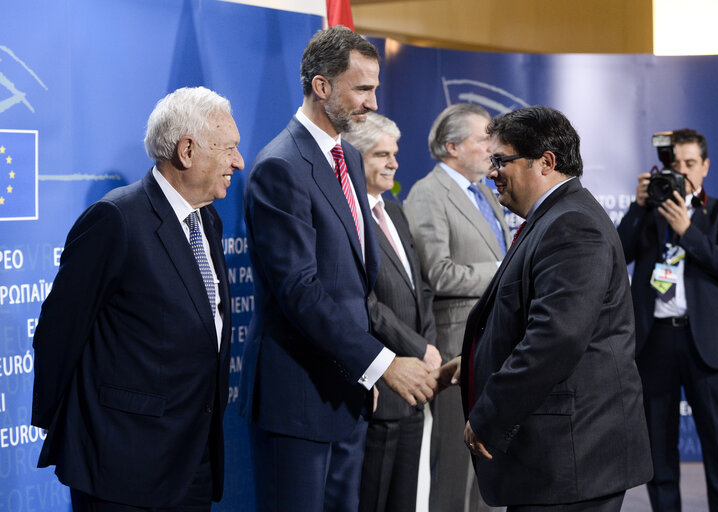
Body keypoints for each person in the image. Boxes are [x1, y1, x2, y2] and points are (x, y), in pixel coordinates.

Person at [237, 26, 437, 512]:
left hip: (346, 394)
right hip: (298, 401)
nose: (372, 102)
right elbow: (300, 290)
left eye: (376, 89)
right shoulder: (279, 166)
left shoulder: (346, 155)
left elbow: (354, 282)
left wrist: (363, 374)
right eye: (362, 88)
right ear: (321, 86)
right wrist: (382, 364)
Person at [30, 86, 242, 511]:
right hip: (122, 468)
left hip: (193, 459)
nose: (238, 161)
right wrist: (81, 435)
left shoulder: (208, 219)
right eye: (229, 149)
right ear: (187, 150)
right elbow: (58, 332)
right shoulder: (117, 220)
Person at [439, 105, 652, 511]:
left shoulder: (572, 225)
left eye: (501, 160)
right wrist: (473, 360)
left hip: (571, 462)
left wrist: (490, 415)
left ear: (546, 162)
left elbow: (556, 338)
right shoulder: (554, 218)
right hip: (562, 463)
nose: (491, 172)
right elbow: (534, 320)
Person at [617, 128, 718, 512]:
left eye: (691, 163)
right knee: (658, 444)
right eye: (676, 163)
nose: (683, 171)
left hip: (705, 343)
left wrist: (687, 232)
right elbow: (617, 254)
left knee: (717, 442)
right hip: (655, 343)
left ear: (705, 167)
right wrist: (638, 208)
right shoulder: (649, 212)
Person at [404, 102, 511, 512]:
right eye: (484, 137)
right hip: (455, 348)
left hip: (496, 342)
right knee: (453, 467)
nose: (493, 146)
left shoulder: (486, 190)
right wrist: (504, 271)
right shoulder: (428, 194)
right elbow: (439, 273)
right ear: (451, 145)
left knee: (488, 465)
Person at [343, 113, 441, 512]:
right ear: (353, 158)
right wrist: (418, 348)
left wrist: (428, 348)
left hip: (415, 389)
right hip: (382, 387)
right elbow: (363, 301)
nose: (393, 163)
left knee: (404, 502)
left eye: (394, 154)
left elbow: (424, 289)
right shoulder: (349, 218)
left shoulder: (394, 210)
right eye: (381, 155)